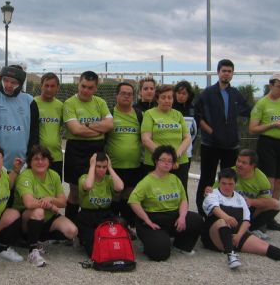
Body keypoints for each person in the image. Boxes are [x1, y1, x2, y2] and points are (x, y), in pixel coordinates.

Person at [203, 168, 280, 270]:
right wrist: (227, 217)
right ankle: (231, 255)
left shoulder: (240, 198)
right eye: (224, 183)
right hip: (214, 237)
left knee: (263, 246)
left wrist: (239, 236)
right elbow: (215, 209)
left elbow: (246, 221)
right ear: (219, 182)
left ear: (235, 184)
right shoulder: (213, 194)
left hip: (235, 235)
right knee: (222, 221)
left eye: (230, 184)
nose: (227, 187)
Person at [194, 59, 251, 216]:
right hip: (210, 144)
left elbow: (249, 111)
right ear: (218, 72)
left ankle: (225, 209)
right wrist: (210, 131)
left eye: (229, 71)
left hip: (230, 145)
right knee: (207, 178)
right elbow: (196, 114)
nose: (226, 73)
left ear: (232, 74)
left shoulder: (235, 94)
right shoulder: (208, 93)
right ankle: (202, 211)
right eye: (223, 70)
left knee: (227, 179)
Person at [129, 145, 203, 261]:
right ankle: (150, 243)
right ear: (155, 161)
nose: (167, 163)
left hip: (172, 216)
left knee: (196, 220)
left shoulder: (175, 179)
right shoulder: (147, 181)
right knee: (160, 254)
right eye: (163, 160)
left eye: (170, 161)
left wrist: (182, 217)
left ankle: (181, 245)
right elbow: (133, 201)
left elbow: (183, 200)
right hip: (153, 219)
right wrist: (147, 220)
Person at [13, 145, 78, 266]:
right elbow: (29, 203)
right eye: (36, 159)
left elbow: (63, 202)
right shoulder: (25, 176)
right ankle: (32, 250)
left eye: (44, 159)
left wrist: (51, 199)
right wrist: (50, 205)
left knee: (72, 231)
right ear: (30, 162)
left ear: (49, 161)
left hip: (47, 217)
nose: (40, 162)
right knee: (38, 211)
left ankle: (39, 240)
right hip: (26, 219)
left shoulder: (53, 175)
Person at [249, 72, 280, 233]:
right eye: (279, 86)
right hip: (267, 144)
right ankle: (259, 219)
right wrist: (273, 124)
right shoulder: (262, 104)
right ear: (271, 85)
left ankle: (270, 217)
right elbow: (252, 128)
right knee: (267, 184)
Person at [63, 71, 113, 222]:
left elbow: (110, 125)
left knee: (98, 189)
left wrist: (86, 125)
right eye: (83, 86)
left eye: (90, 88)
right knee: (75, 193)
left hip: (97, 150)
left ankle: (94, 226)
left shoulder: (101, 102)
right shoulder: (69, 103)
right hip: (76, 150)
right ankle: (70, 230)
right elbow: (75, 130)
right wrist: (99, 130)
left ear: (96, 88)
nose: (85, 90)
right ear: (78, 84)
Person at [0, 64, 39, 172]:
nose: (8, 85)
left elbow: (34, 133)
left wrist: (30, 159)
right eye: (5, 80)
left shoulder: (30, 101)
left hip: (22, 164)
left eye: (13, 82)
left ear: (20, 83)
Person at [106, 82, 144, 227]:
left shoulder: (140, 114)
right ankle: (112, 226)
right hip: (113, 166)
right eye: (123, 93)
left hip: (134, 165)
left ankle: (127, 227)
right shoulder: (109, 113)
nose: (127, 96)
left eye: (130, 94)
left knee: (129, 196)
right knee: (114, 195)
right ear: (116, 95)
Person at [141, 84, 191, 194]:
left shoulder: (178, 115)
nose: (167, 100)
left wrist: (175, 156)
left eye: (170, 97)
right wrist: (165, 158)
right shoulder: (149, 114)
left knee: (180, 194)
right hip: (156, 163)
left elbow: (187, 138)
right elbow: (145, 139)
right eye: (163, 97)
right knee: (156, 196)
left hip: (179, 162)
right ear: (157, 99)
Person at [77, 152, 124, 257]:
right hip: (87, 216)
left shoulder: (108, 179)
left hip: (105, 215)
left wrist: (110, 168)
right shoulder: (84, 178)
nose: (101, 169)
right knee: (94, 251)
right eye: (98, 166)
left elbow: (120, 187)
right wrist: (92, 166)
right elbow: (88, 186)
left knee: (113, 244)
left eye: (104, 167)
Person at [34, 72, 64, 178]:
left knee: (55, 191)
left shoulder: (61, 106)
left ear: (57, 88)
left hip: (56, 157)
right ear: (41, 86)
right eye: (46, 85)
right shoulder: (32, 103)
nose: (49, 89)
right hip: (37, 157)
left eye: (52, 86)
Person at [173, 81, 199, 172]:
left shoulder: (192, 109)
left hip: (186, 153)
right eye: (179, 93)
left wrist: (188, 144)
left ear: (189, 95)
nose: (181, 96)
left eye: (184, 93)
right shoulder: (169, 108)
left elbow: (194, 132)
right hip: (171, 151)